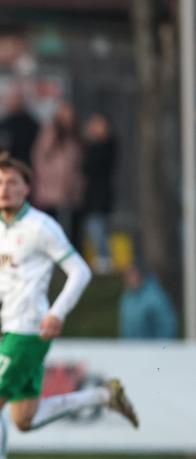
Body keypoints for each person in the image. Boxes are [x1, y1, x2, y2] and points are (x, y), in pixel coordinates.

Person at [0, 152, 138, 459]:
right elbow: (4, 273)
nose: (4, 189)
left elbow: (80, 271)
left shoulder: (42, 227)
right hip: (14, 326)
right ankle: (103, 395)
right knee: (24, 418)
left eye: (12, 182)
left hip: (29, 330)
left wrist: (57, 312)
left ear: (27, 187)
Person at [31, 101, 82, 239]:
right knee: (50, 225)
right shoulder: (49, 134)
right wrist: (46, 177)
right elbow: (40, 157)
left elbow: (78, 163)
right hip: (50, 188)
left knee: (70, 227)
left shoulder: (75, 137)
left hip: (69, 190)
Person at [80, 114, 116, 272]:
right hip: (92, 195)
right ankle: (101, 257)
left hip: (100, 195)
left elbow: (93, 166)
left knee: (97, 225)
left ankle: (104, 257)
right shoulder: (91, 146)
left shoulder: (107, 146)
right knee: (94, 226)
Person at [119, 265, 179, 339]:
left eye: (132, 275)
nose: (128, 279)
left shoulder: (156, 297)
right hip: (131, 349)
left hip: (152, 348)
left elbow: (168, 325)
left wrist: (162, 348)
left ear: (140, 275)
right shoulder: (127, 297)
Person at [0, 86, 40, 166]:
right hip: (4, 167)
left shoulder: (31, 125)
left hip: (24, 167)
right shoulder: (1, 123)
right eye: (13, 98)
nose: (16, 101)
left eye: (19, 98)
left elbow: (38, 149)